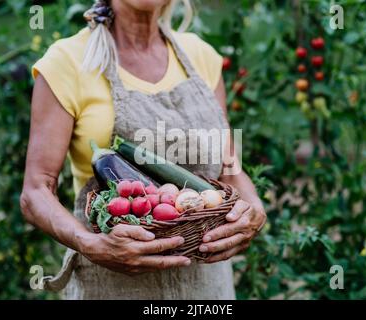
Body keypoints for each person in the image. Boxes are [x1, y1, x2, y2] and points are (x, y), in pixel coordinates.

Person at [20, 0, 266, 299]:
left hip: (207, 287)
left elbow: (231, 171)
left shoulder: (201, 56)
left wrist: (254, 210)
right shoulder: (68, 62)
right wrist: (89, 243)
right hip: (112, 282)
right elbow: (36, 191)